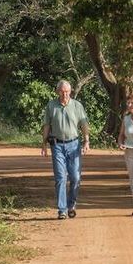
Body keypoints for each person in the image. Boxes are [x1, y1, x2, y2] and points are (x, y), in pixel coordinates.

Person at [41, 80, 90, 219]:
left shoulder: (77, 105)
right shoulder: (51, 106)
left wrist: (86, 141)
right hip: (57, 145)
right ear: (57, 92)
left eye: (67, 91)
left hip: (74, 145)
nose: (65, 94)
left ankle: (71, 205)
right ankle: (62, 209)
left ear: (71, 92)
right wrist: (44, 143)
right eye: (62, 91)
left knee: (75, 177)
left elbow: (84, 124)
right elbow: (46, 125)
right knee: (60, 178)